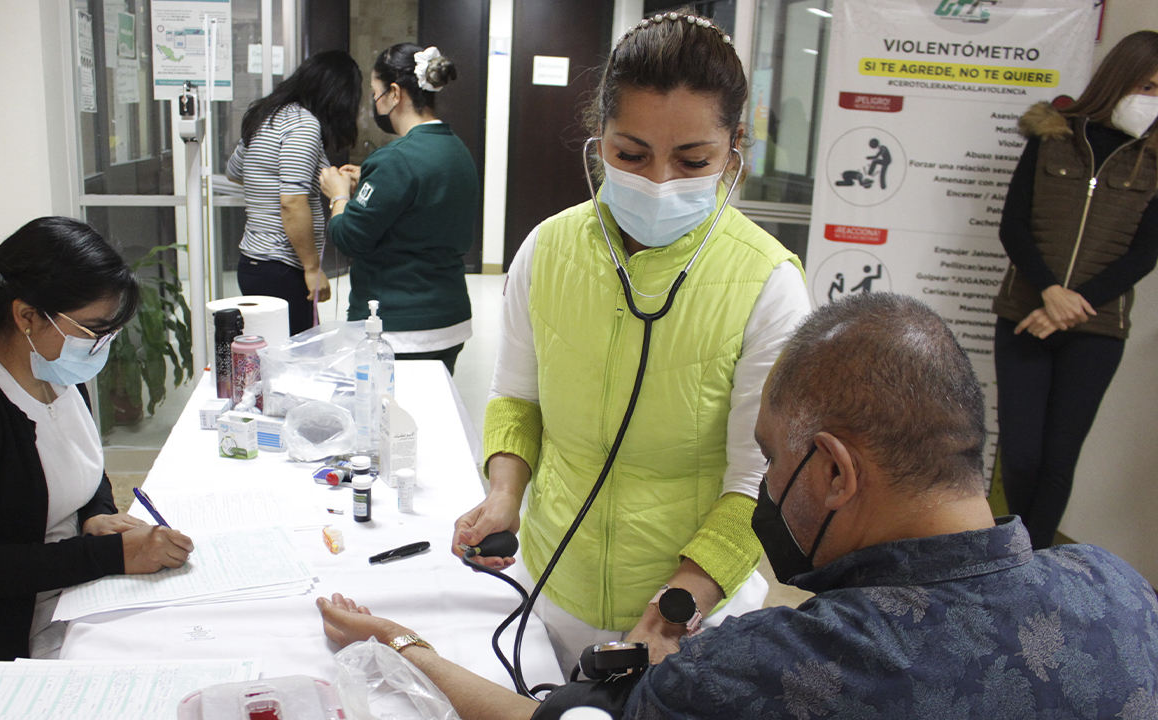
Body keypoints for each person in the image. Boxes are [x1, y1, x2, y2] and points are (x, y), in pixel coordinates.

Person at [317, 292, 1158, 720]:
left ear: (831, 471)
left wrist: (404, 645)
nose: (762, 485)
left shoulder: (782, 667)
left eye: (771, 458)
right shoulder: (1123, 595)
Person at [449, 11, 810, 673]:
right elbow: (515, 401)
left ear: (735, 149)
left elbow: (756, 482)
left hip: (691, 619)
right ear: (599, 136)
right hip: (554, 587)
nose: (660, 182)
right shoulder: (547, 250)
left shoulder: (769, 286)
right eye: (632, 154)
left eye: (693, 159)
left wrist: (679, 603)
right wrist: (504, 492)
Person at [0, 218, 194, 687]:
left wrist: (96, 514)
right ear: (26, 315)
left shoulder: (58, 373)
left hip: (62, 600)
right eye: (92, 328)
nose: (101, 345)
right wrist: (107, 555)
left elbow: (81, 472)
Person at [992, 30, 1158, 550]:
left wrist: (1069, 306)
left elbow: (1144, 253)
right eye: (1149, 85)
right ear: (1121, 78)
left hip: (1097, 329)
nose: (1153, 99)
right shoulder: (1051, 134)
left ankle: (1032, 569)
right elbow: (1013, 226)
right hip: (1024, 312)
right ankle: (1019, 555)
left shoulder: (1155, 160)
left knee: (1060, 459)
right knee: (1021, 454)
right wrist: (1049, 292)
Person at [319, 43, 479, 374]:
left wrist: (339, 196)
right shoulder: (456, 150)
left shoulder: (395, 158)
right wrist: (370, 182)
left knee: (388, 422)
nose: (375, 104)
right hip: (449, 319)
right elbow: (422, 200)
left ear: (394, 93)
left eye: (376, 94)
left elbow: (349, 237)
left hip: (399, 328)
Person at [227, 50, 363, 335]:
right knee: (297, 361)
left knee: (268, 356)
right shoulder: (303, 125)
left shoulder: (266, 116)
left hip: (253, 263)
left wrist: (333, 179)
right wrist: (312, 269)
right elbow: (292, 202)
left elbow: (236, 171)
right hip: (282, 266)